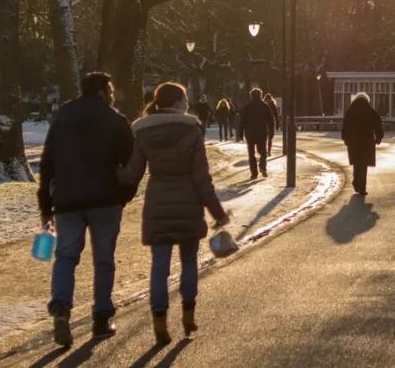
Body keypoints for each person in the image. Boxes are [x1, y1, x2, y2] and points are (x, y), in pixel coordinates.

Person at [118, 82, 229, 345]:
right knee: (189, 263)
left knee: (159, 266)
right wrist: (218, 213)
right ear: (178, 102)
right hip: (188, 205)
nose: (188, 103)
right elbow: (203, 178)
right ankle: (188, 316)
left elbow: (132, 173)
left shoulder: (144, 132)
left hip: (157, 203)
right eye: (185, 99)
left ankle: (159, 322)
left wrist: (108, 173)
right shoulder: (192, 131)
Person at [37, 72, 135, 347]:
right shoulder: (115, 119)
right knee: (103, 260)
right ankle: (101, 318)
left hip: (67, 200)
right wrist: (124, 195)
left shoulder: (63, 117)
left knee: (66, 256)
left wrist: (45, 204)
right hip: (105, 200)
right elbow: (132, 163)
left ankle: (61, 307)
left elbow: (47, 162)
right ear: (104, 91)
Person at [341, 92, 384, 196]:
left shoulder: (350, 112)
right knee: (364, 164)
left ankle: (356, 182)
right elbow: (378, 125)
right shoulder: (371, 111)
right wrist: (378, 138)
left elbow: (345, 127)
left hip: (353, 142)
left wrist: (345, 139)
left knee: (356, 163)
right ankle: (362, 187)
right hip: (367, 142)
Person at [238, 88, 275, 179]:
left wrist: (240, 133)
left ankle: (254, 174)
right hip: (261, 132)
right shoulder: (265, 106)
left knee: (251, 154)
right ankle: (262, 166)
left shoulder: (247, 107)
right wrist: (271, 133)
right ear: (261, 95)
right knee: (263, 152)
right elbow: (271, 121)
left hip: (249, 133)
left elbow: (242, 121)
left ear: (251, 96)